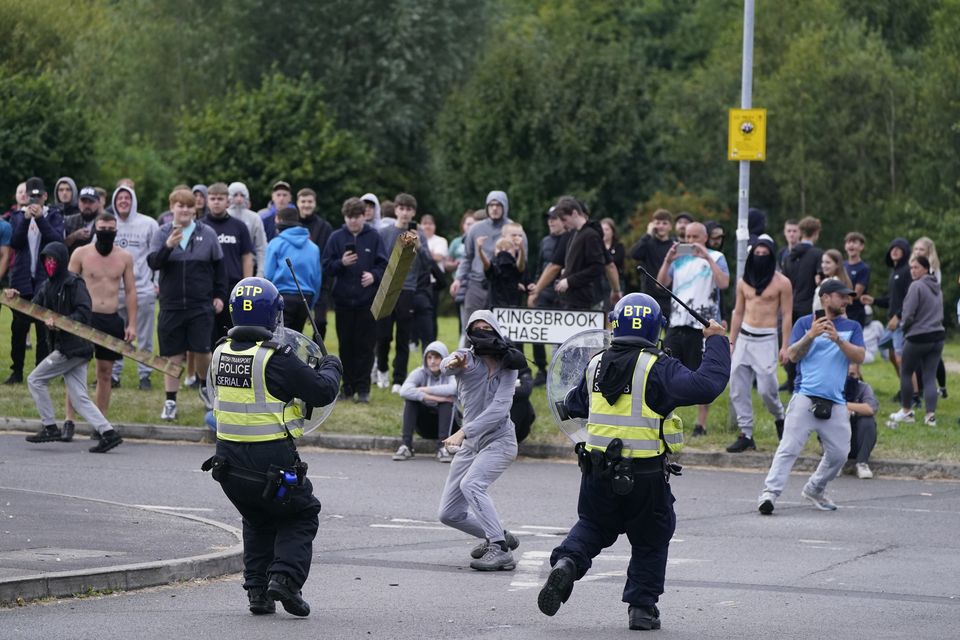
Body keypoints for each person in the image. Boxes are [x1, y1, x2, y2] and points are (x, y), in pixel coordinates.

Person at [538, 293, 729, 631]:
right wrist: (717, 342)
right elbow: (707, 385)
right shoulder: (659, 368)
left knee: (594, 526)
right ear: (656, 328)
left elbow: (572, 405)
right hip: (645, 477)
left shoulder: (595, 364)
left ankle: (567, 562)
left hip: (596, 473)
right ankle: (642, 608)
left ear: (615, 323)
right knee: (651, 538)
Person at [203, 277, 342, 617]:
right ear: (273, 316)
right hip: (273, 462)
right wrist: (332, 365)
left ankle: (258, 593)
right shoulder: (274, 358)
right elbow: (321, 391)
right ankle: (285, 579)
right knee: (301, 513)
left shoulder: (220, 351)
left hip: (228, 464)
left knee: (256, 518)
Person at [758, 279, 865, 515]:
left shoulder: (852, 327)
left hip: (836, 401)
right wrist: (811, 335)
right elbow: (792, 356)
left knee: (839, 454)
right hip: (805, 396)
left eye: (847, 297)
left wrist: (838, 339)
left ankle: (815, 488)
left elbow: (859, 357)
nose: (846, 300)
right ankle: (769, 494)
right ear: (825, 298)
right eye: (841, 296)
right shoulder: (805, 323)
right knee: (788, 448)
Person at [10, 242, 123, 453]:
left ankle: (49, 426)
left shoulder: (74, 283)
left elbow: (84, 313)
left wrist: (60, 322)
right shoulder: (47, 286)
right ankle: (109, 433)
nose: (50, 264)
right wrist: (15, 302)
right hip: (69, 348)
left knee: (35, 379)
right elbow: (30, 313)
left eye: (53, 260)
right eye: (46, 260)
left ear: (62, 260)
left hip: (73, 348)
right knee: (79, 397)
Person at [437, 310, 525, 571]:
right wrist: (451, 362)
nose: (482, 331)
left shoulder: (509, 364)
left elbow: (499, 408)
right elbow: (445, 365)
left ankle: (499, 550)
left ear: (496, 330)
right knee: (449, 514)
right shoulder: (467, 358)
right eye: (477, 328)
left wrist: (463, 431)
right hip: (471, 445)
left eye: (487, 327)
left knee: (472, 484)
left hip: (500, 440)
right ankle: (498, 534)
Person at [148, 188, 228, 420]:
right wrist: (168, 247)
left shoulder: (208, 233)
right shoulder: (162, 232)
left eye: (188, 206)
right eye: (179, 205)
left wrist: (220, 296)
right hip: (171, 305)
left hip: (201, 305)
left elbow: (220, 269)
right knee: (171, 356)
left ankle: (205, 387)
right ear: (172, 207)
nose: (184, 209)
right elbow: (153, 263)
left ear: (195, 209)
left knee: (203, 351)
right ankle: (171, 401)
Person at [656, 221, 730, 436]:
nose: (690, 242)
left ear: (705, 238)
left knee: (702, 370)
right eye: (687, 237)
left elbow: (724, 283)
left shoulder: (716, 257)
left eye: (695, 237)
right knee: (665, 369)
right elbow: (661, 283)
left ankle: (701, 424)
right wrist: (667, 260)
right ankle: (663, 416)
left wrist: (706, 256)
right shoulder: (679, 260)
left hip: (702, 324)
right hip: (677, 322)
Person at [65, 213, 137, 433]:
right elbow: (67, 287)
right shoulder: (81, 253)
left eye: (110, 228)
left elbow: (131, 291)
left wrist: (131, 324)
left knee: (105, 373)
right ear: (95, 229)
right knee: (76, 371)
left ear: (116, 231)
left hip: (111, 319)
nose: (106, 231)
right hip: (84, 317)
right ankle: (69, 421)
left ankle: (101, 424)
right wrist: (66, 318)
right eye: (102, 227)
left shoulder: (124, 257)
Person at [727, 235, 792, 451]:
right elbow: (738, 312)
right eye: (757, 253)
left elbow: (787, 315)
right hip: (745, 337)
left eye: (765, 254)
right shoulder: (743, 282)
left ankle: (780, 417)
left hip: (766, 339)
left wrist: (785, 346)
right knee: (737, 386)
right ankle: (746, 434)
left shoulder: (782, 282)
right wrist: (731, 341)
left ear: (772, 255)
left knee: (766, 388)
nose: (761, 257)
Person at [322, 197, 387, 403]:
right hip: (342, 301)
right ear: (345, 217)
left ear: (363, 216)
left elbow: (384, 265)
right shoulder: (336, 237)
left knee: (366, 346)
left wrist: (373, 276)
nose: (352, 221)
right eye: (349, 217)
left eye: (356, 217)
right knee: (346, 346)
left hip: (366, 301)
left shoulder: (374, 237)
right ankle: (347, 387)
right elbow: (326, 266)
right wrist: (341, 262)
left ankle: (363, 389)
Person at [374, 193, 436, 392]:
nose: (405, 212)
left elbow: (428, 264)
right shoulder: (384, 232)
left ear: (413, 212)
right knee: (383, 336)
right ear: (396, 210)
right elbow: (378, 260)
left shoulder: (420, 235)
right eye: (402, 208)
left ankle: (399, 378)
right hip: (387, 288)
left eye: (409, 209)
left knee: (404, 336)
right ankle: (382, 369)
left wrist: (419, 246)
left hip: (408, 289)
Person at [6, 177, 64, 385]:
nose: (35, 200)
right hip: (22, 281)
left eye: (39, 196)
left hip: (45, 281)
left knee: (44, 331)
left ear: (45, 196)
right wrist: (27, 218)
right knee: (18, 330)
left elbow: (57, 241)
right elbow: (15, 242)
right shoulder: (17, 216)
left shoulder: (54, 215)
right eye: (32, 196)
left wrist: (40, 219)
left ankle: (41, 373)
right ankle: (17, 371)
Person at [110, 184, 159, 390]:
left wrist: (156, 283)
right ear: (114, 201)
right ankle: (113, 375)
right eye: (119, 198)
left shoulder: (148, 224)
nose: (123, 201)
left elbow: (157, 257)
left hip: (142, 289)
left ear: (133, 200)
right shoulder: (107, 224)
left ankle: (145, 375)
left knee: (144, 337)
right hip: (114, 290)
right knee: (115, 335)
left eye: (127, 198)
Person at [451, 191, 525, 327]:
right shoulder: (475, 229)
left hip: (503, 289)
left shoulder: (513, 229)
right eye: (491, 205)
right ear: (486, 207)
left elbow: (521, 260)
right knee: (471, 329)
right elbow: (467, 257)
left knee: (503, 333)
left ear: (505, 207)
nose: (494, 208)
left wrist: (521, 281)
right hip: (477, 285)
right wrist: (458, 279)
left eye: (498, 205)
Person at [888, 255, 944, 428]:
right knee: (929, 377)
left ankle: (906, 411)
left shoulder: (916, 286)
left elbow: (909, 314)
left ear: (925, 269)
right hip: (938, 336)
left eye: (916, 267)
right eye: (911, 268)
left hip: (918, 336)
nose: (912, 271)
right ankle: (930, 416)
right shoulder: (937, 287)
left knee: (906, 372)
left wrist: (904, 328)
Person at [205, 183, 254, 344]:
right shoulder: (200, 226)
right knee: (208, 338)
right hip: (207, 288)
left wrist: (247, 285)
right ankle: (208, 369)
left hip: (234, 288)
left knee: (233, 335)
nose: (216, 202)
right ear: (207, 201)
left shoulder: (239, 226)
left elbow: (247, 256)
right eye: (213, 198)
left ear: (228, 201)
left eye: (220, 199)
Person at [393, 341, 457, 462]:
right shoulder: (419, 372)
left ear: (444, 359)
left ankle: (443, 448)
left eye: (437, 357)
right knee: (411, 400)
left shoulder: (450, 372)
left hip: (450, 427)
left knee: (446, 402)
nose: (432, 361)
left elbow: (453, 388)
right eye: (429, 357)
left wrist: (424, 389)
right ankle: (406, 446)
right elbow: (404, 391)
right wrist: (435, 398)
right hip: (425, 426)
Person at [779, 216, 823, 391]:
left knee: (791, 344)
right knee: (807, 344)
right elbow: (819, 280)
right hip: (808, 307)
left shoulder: (789, 255)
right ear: (817, 232)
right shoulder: (817, 254)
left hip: (789, 306)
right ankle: (803, 382)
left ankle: (790, 381)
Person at [860, 238, 911, 384]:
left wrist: (898, 316)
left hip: (901, 321)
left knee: (901, 357)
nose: (894, 251)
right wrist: (874, 301)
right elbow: (893, 299)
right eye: (892, 248)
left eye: (898, 248)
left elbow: (909, 298)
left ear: (905, 251)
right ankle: (904, 385)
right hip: (893, 322)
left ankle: (911, 393)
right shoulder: (895, 272)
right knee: (889, 352)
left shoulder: (907, 270)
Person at [264, 206, 321, 333]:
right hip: (305, 298)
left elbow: (268, 275)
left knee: (279, 339)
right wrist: (310, 306)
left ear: (278, 220)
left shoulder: (275, 243)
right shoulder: (314, 248)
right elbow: (317, 280)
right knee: (295, 339)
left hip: (282, 296)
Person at [529, 208, 564, 385]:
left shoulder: (570, 239)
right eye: (549, 218)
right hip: (544, 292)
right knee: (538, 332)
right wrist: (535, 288)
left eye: (555, 218)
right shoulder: (545, 241)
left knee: (561, 334)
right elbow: (540, 267)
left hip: (562, 294)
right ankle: (541, 369)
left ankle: (561, 371)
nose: (551, 222)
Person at [296, 188, 333, 340]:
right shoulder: (292, 226)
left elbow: (328, 255)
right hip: (296, 283)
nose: (306, 205)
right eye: (303, 201)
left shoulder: (325, 227)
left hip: (320, 282)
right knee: (295, 324)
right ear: (297, 203)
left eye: (309, 201)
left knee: (321, 322)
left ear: (315, 203)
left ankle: (318, 356)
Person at [628, 209, 674, 317]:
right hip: (649, 296)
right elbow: (633, 254)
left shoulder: (675, 246)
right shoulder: (647, 243)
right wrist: (648, 234)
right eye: (657, 223)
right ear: (652, 225)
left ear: (670, 226)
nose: (661, 226)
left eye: (664, 223)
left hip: (670, 296)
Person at [845, 363, 878, 479]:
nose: (848, 377)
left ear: (858, 375)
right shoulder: (831, 386)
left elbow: (870, 409)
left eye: (852, 374)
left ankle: (862, 463)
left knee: (867, 420)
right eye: (845, 374)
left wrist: (845, 406)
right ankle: (833, 463)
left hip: (857, 441)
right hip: (836, 439)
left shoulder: (864, 388)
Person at [445, 211, 476, 334]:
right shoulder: (456, 242)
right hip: (459, 284)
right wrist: (455, 265)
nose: (470, 227)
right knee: (462, 320)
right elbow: (446, 264)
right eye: (468, 224)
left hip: (475, 283)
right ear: (463, 225)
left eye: (473, 224)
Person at [227, 181, 267, 277]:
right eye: (235, 195)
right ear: (229, 197)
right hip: (226, 270)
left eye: (242, 195)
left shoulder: (254, 218)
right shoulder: (224, 216)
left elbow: (261, 247)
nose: (239, 199)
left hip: (249, 269)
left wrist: (260, 274)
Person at [63, 186, 102, 253]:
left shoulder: (105, 222)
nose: (87, 206)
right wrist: (74, 236)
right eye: (84, 202)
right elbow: (61, 245)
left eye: (91, 202)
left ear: (98, 203)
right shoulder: (69, 220)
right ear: (78, 202)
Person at [843, 232, 870, 326]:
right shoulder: (842, 265)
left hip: (855, 314)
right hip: (841, 312)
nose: (851, 245)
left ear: (861, 246)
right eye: (848, 242)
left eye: (854, 242)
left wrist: (838, 294)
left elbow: (856, 294)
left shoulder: (863, 268)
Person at [600, 217, 625, 313]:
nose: (604, 232)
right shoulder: (595, 247)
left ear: (613, 232)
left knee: (613, 311)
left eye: (607, 229)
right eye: (602, 230)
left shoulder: (619, 247)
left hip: (615, 284)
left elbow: (613, 263)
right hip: (599, 284)